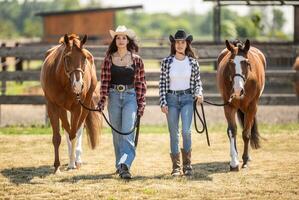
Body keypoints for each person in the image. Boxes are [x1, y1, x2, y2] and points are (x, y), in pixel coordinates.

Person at [98, 25, 146, 179]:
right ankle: (120, 165)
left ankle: (125, 165)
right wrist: (101, 101)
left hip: (130, 96)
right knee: (117, 133)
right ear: (115, 41)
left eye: (123, 38)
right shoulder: (108, 59)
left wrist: (141, 103)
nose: (120, 40)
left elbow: (140, 83)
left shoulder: (136, 60)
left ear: (127, 40)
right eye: (118, 38)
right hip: (113, 96)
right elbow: (104, 82)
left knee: (127, 131)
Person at [159, 29, 203, 176]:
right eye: (177, 42)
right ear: (174, 44)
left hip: (187, 99)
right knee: (174, 133)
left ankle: (188, 165)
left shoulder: (193, 62)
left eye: (182, 42)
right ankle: (176, 167)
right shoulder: (166, 62)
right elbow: (162, 84)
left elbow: (197, 82)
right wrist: (163, 102)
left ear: (186, 44)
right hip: (171, 100)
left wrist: (199, 93)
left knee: (186, 131)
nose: (179, 45)